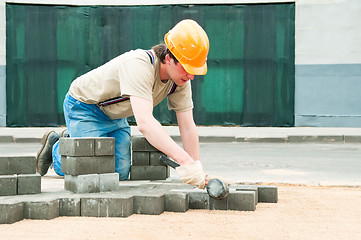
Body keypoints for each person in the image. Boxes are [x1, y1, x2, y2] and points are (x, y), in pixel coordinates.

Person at [36, 19, 209, 189]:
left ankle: (73, 138)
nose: (191, 76)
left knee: (120, 172)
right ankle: (57, 149)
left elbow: (187, 125)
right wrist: (184, 161)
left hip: (115, 115)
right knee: (90, 169)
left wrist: (197, 169)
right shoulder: (140, 65)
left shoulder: (180, 81)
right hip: (85, 106)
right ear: (169, 57)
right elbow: (145, 123)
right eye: (188, 68)